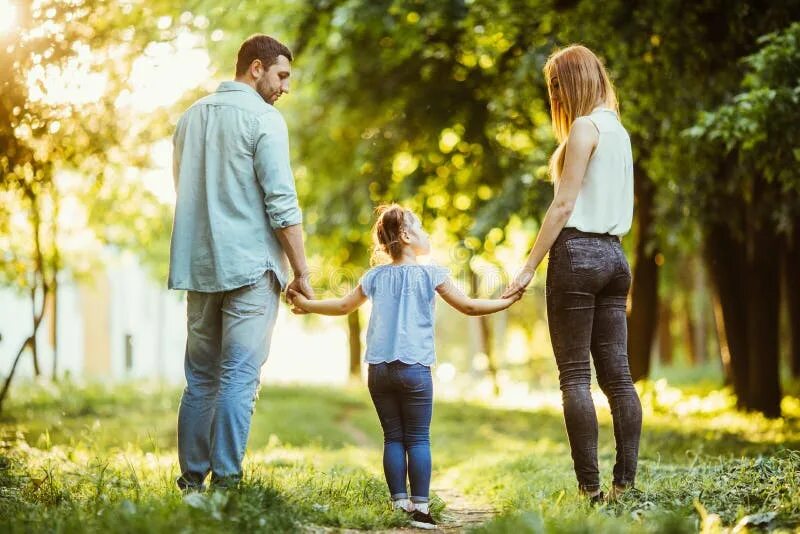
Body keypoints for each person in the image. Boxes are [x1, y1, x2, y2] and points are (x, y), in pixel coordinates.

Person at [288, 204, 520, 529]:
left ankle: (399, 502)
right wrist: (506, 300)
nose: (426, 233)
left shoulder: (374, 276)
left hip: (379, 370)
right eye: (421, 227)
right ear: (407, 235)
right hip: (414, 368)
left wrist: (307, 304)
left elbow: (342, 306)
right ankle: (421, 509)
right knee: (419, 438)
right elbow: (468, 306)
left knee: (393, 437)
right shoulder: (431, 273)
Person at [168, 34, 314, 491]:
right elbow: (282, 205)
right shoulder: (264, 120)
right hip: (251, 268)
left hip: (200, 267)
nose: (284, 87)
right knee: (238, 377)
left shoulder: (190, 119)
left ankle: (192, 487)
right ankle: (227, 486)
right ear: (256, 68)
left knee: (200, 380)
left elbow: (184, 189)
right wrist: (301, 272)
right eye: (281, 75)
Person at [501, 44, 643, 503]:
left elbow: (563, 206)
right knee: (619, 378)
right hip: (615, 258)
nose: (555, 98)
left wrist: (526, 267)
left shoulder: (585, 128)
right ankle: (624, 486)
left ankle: (590, 491)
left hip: (578, 255)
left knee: (575, 378)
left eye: (557, 87)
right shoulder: (617, 130)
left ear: (575, 81)